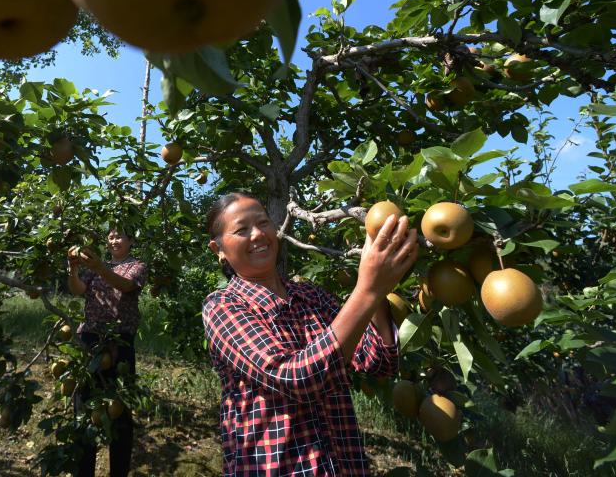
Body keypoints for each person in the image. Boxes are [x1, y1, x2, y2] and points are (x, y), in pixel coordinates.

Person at [202, 192, 419, 476]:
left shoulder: (312, 296)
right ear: (218, 249)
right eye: (241, 229)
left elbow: (379, 362)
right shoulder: (223, 307)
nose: (257, 235)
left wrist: (375, 288)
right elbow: (295, 378)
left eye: (263, 223)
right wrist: (368, 289)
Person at [66, 226, 148, 477]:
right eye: (110, 236)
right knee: (84, 407)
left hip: (119, 342)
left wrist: (100, 267)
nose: (114, 240)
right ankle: (84, 470)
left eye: (119, 236)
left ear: (131, 240)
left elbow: (125, 286)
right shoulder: (96, 268)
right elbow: (78, 290)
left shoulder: (137, 266)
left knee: (119, 410)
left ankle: (118, 471)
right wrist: (73, 268)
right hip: (89, 339)